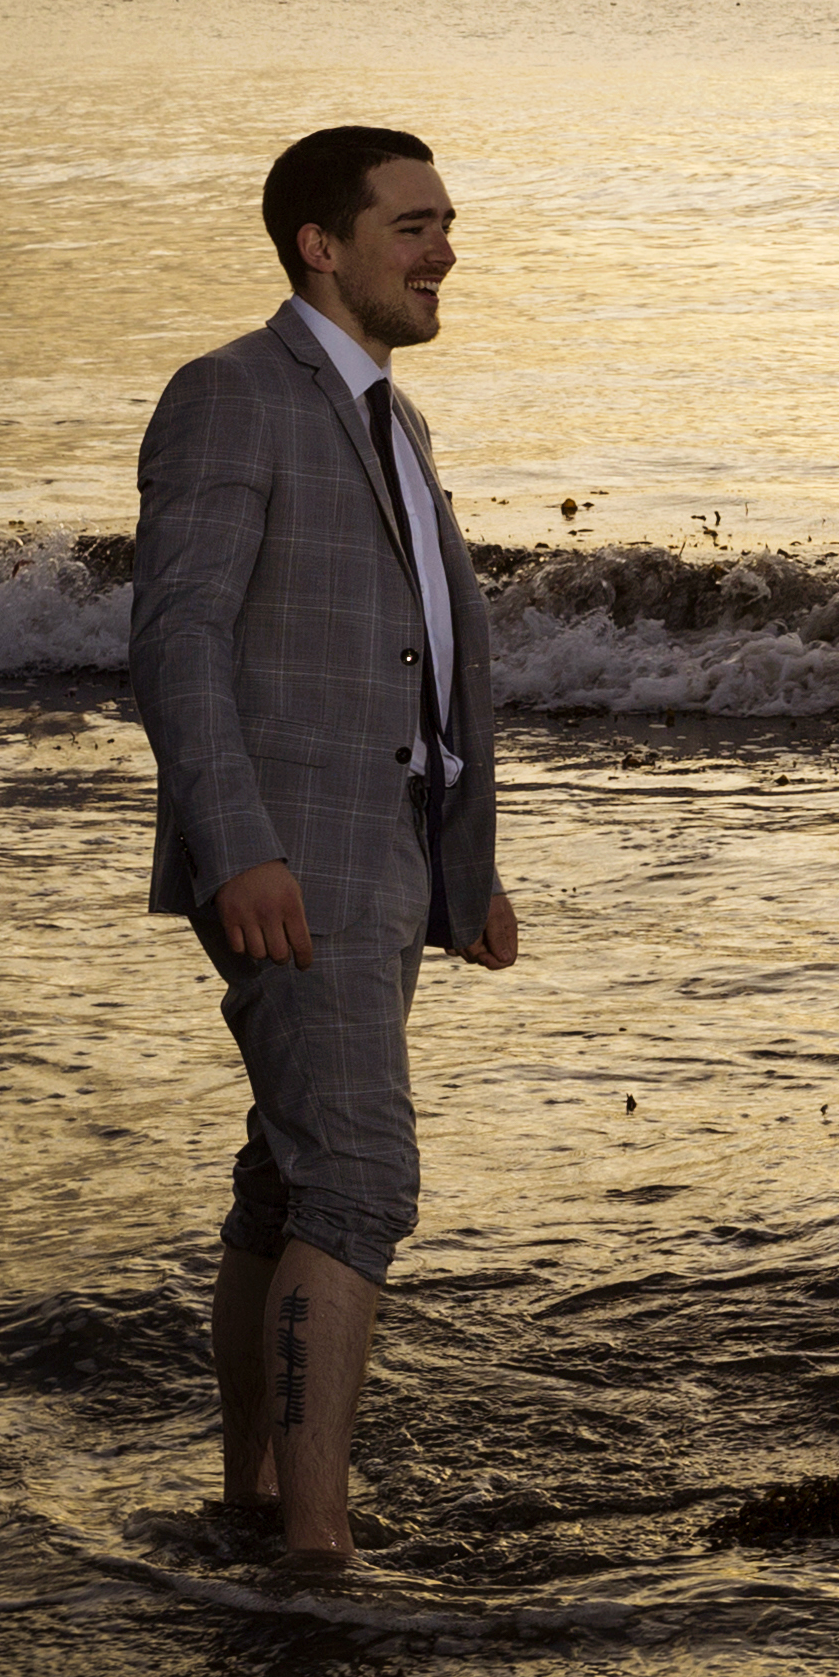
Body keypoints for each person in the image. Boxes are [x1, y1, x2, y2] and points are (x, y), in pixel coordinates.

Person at [130, 125, 526, 1573]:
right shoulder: (233, 397)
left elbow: (412, 657)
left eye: (444, 223)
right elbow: (176, 642)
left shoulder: (388, 417)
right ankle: (316, 1547)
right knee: (360, 1181)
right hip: (291, 857)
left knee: (291, 1176)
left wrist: (464, 865)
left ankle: (249, 1501)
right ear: (323, 244)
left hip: (383, 857)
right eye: (413, 225)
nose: (443, 250)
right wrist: (240, 847)